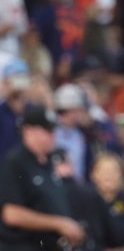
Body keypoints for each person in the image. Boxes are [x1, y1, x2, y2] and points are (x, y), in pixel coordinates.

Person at [0, 105, 86, 250]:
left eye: (54, 130)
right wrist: (59, 223)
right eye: (47, 131)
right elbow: (11, 214)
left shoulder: (51, 160)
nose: (53, 136)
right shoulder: (15, 162)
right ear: (28, 131)